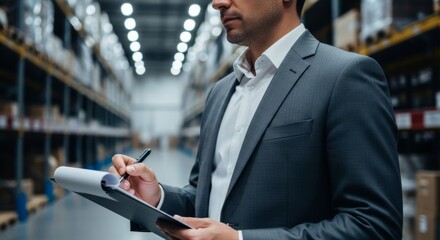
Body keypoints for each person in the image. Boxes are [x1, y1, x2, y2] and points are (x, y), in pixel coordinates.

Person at [110, 0, 403, 239]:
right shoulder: (220, 92)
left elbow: (374, 225)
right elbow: (204, 196)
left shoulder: (345, 77)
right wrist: (156, 197)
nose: (217, 3)